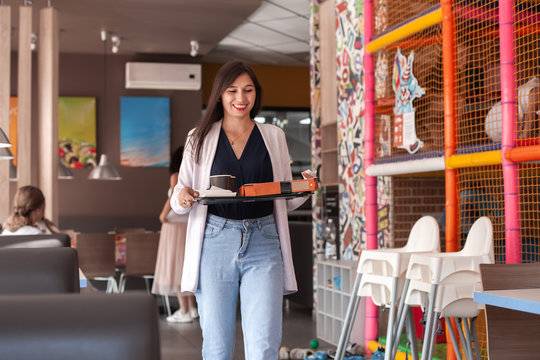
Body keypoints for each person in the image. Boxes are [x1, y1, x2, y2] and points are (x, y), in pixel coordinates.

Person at [170, 60, 308, 360]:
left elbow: (283, 195)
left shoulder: (273, 136)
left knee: (264, 346)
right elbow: (179, 191)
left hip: (264, 240)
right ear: (220, 94)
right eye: (232, 90)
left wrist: (305, 190)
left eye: (248, 90)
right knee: (217, 347)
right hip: (215, 239)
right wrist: (182, 196)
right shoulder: (199, 137)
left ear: (256, 94)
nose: (240, 98)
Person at [152, 145, 198, 323]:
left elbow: (173, 197)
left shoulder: (176, 175)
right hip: (187, 224)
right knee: (185, 264)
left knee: (175, 266)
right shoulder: (195, 174)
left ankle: (184, 310)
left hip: (173, 225)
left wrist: (162, 215)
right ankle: (191, 308)